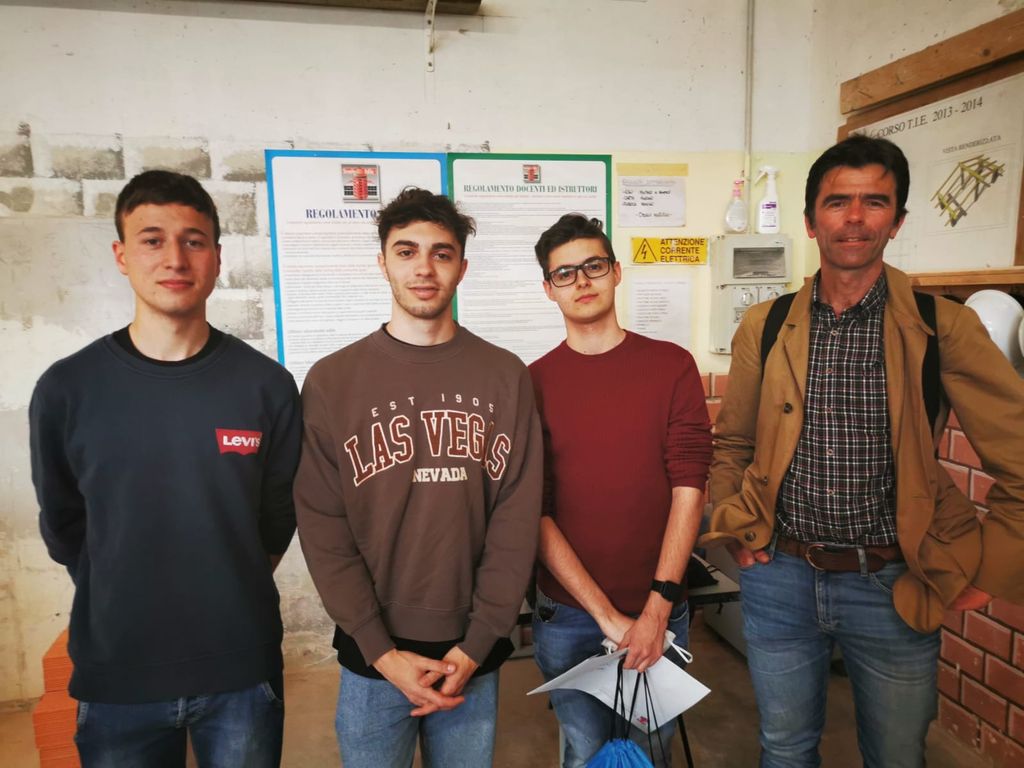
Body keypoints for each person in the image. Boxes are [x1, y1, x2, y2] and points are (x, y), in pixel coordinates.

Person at [703, 135, 1024, 767]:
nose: (854, 217)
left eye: (874, 202)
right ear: (810, 221)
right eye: (837, 202)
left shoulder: (943, 326)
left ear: (897, 220)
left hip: (895, 582)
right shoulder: (765, 325)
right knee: (784, 750)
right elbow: (733, 443)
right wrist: (735, 528)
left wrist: (992, 574)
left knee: (896, 756)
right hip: (780, 575)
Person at [30, 170, 302, 767]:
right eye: (152, 240)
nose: (175, 258)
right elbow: (64, 525)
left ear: (217, 258)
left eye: (193, 241)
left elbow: (277, 518)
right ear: (121, 255)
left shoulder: (267, 387)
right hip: (118, 673)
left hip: (240, 672)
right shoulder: (67, 389)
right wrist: (121, 584)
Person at [293, 187, 542, 768]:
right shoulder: (331, 381)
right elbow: (324, 530)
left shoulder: (506, 376)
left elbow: (516, 521)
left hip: (471, 651)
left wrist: (476, 643)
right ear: (383, 263)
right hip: (372, 655)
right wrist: (381, 651)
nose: (424, 268)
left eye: (441, 253)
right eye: (406, 251)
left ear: (462, 267)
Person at [529, 214, 712, 767]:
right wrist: (606, 616)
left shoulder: (672, 366)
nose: (581, 280)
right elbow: (534, 511)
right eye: (564, 273)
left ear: (615, 272)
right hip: (568, 613)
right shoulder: (531, 383)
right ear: (549, 288)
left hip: (659, 605)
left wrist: (657, 607)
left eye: (593, 265)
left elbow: (689, 487)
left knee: (648, 752)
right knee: (585, 752)